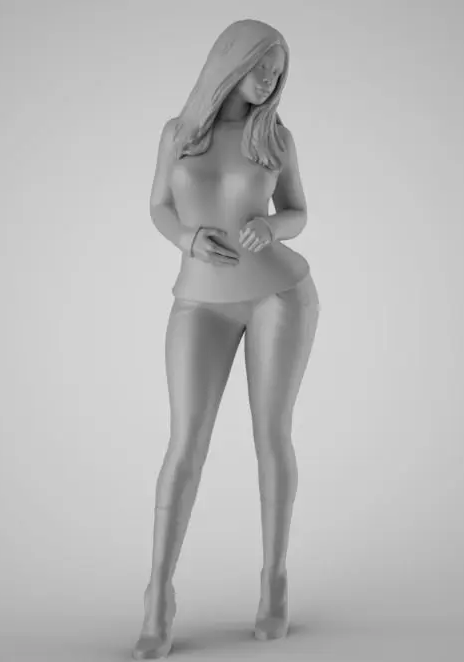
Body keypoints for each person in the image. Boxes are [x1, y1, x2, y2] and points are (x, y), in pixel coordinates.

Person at [133, 18, 320, 660]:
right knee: (185, 443)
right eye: (260, 66)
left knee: (271, 433)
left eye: (278, 71)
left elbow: (298, 210)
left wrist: (275, 229)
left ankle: (274, 580)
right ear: (230, 62)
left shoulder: (277, 138)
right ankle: (158, 594)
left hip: (278, 294)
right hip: (200, 300)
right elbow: (158, 205)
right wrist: (188, 239)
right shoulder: (178, 134)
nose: (268, 80)